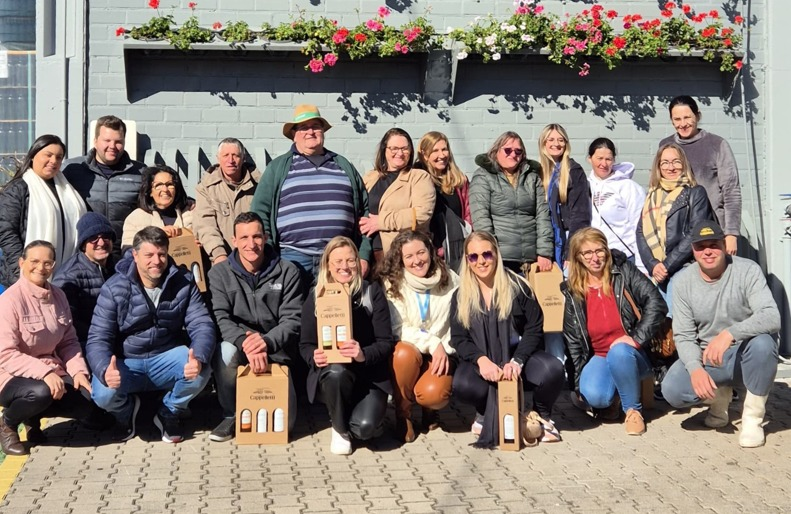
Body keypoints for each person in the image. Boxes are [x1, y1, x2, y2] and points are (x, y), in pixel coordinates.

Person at [87, 226, 216, 443]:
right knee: (102, 394)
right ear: (135, 255)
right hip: (127, 362)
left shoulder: (184, 281)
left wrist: (199, 356)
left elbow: (202, 323)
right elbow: (98, 337)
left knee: (201, 371)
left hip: (167, 356)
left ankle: (169, 410)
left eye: (161, 254)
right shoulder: (114, 288)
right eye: (149, 255)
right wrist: (103, 369)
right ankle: (126, 413)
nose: (156, 261)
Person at [661, 221, 781, 448]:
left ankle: (753, 420)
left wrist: (730, 334)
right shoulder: (682, 282)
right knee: (673, 390)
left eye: (714, 245)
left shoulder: (747, 270)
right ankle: (719, 398)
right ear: (693, 250)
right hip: (709, 357)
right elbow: (684, 335)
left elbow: (772, 316)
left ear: (724, 246)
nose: (707, 251)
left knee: (764, 344)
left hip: (745, 354)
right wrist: (695, 369)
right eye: (701, 246)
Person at [450, 231, 565, 448]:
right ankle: (484, 413)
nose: (481, 261)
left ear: (496, 254)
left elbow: (534, 327)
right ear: (467, 260)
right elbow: (459, 339)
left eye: (487, 254)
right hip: (483, 359)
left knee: (553, 370)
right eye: (473, 257)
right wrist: (481, 360)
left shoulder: (518, 286)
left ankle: (541, 415)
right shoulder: (460, 295)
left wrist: (518, 360)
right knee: (462, 385)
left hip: (516, 354)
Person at [561, 228, 667, 435]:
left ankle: (633, 411)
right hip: (600, 356)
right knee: (596, 396)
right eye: (587, 253)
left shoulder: (623, 271)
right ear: (578, 257)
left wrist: (636, 339)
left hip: (634, 353)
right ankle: (615, 395)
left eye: (599, 250)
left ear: (607, 250)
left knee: (619, 351)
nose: (595, 258)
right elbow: (573, 342)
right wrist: (578, 386)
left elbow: (657, 303)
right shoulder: (573, 291)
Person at [207, 212, 302, 442]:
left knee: (285, 426)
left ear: (266, 237)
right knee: (224, 352)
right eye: (244, 238)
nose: (251, 244)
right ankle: (231, 414)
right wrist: (245, 343)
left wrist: (266, 342)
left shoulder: (288, 271)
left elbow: (292, 319)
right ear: (234, 241)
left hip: (277, 349)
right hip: (240, 345)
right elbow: (221, 318)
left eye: (257, 236)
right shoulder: (219, 274)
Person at [250, 104, 372, 280]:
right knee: (293, 300)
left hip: (339, 259)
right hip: (292, 258)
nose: (310, 132)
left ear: (323, 131)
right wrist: (268, 255)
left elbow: (365, 212)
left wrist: (363, 254)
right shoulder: (277, 168)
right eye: (303, 127)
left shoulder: (343, 166)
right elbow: (260, 213)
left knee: (339, 300)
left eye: (315, 126)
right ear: (294, 134)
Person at [299, 236, 395, 455]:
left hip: (368, 375)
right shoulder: (316, 296)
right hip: (335, 374)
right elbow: (305, 344)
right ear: (328, 265)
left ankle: (358, 416)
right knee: (336, 372)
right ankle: (339, 428)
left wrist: (363, 354)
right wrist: (314, 356)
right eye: (338, 261)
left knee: (365, 429)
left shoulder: (371, 292)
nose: (345, 266)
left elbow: (385, 342)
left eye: (351, 260)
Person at [0, 241, 95, 456]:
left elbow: (68, 342)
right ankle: (7, 423)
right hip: (8, 374)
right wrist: (45, 373)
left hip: (49, 371)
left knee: (85, 401)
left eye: (47, 263)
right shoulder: (9, 301)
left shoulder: (59, 296)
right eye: (34, 261)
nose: (40, 268)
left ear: (53, 265)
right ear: (22, 263)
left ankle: (32, 416)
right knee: (40, 393)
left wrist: (78, 371)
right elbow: (6, 354)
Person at [377, 230, 460, 442]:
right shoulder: (392, 283)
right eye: (409, 256)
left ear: (430, 252)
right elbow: (397, 328)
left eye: (421, 253)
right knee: (402, 354)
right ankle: (403, 414)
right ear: (401, 259)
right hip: (410, 351)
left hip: (441, 353)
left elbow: (461, 320)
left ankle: (429, 410)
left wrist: (443, 347)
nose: (417, 261)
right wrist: (432, 342)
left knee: (434, 395)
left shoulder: (451, 279)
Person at [636, 143, 714, 315]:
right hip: (657, 270)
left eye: (676, 162)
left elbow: (696, 231)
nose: (670, 167)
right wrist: (653, 265)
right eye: (665, 162)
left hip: (684, 266)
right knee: (657, 318)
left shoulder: (695, 193)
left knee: (675, 317)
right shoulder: (652, 196)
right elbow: (640, 232)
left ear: (684, 164)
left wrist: (666, 266)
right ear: (658, 166)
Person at [0, 134, 87, 288]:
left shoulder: (68, 190)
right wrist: (22, 270)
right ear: (33, 155)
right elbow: (6, 231)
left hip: (65, 277)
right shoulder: (18, 188)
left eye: (59, 157)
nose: (53, 161)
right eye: (48, 155)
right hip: (25, 277)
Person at [660, 96, 741, 255]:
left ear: (697, 116)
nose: (683, 124)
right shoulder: (666, 146)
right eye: (677, 119)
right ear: (671, 121)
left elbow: (731, 191)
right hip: (675, 230)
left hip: (711, 228)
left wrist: (731, 233)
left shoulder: (717, 144)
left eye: (687, 117)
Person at [469, 131, 553, 274]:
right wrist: (490, 251)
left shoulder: (532, 177)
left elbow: (542, 215)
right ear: (496, 151)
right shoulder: (483, 176)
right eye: (508, 150)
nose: (513, 154)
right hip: (500, 258)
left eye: (518, 151)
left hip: (530, 259)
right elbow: (481, 218)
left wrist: (544, 252)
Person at [62, 115, 145, 255]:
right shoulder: (72, 169)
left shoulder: (140, 173)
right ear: (95, 141)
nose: (112, 146)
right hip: (84, 253)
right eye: (107, 140)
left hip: (125, 253)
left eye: (118, 141)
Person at [361, 128, 436, 262]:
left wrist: (381, 222)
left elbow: (422, 214)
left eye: (405, 148)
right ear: (384, 150)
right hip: (367, 254)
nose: (400, 153)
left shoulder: (419, 177)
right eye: (394, 148)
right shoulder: (370, 177)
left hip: (401, 255)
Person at [52, 212, 118, 352]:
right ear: (83, 244)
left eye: (106, 236)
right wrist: (101, 336)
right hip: (87, 343)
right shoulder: (68, 276)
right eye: (93, 238)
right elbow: (68, 322)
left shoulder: (119, 267)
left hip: (118, 338)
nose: (101, 243)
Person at [194, 138, 261, 266]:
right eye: (225, 155)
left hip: (255, 258)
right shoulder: (206, 187)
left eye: (235, 155)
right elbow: (205, 224)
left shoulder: (259, 185)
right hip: (222, 259)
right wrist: (219, 254)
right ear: (218, 158)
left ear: (243, 158)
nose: (231, 160)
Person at [587, 138, 647, 274]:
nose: (604, 164)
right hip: (595, 260)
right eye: (599, 158)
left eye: (608, 159)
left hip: (625, 258)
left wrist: (641, 265)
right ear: (590, 159)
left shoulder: (628, 187)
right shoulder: (585, 186)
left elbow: (640, 227)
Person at [415, 131, 471, 272]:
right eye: (435, 151)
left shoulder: (459, 180)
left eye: (444, 149)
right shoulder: (416, 179)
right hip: (427, 252)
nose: (442, 155)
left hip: (457, 250)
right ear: (425, 155)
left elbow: (468, 213)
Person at [537, 124, 591, 270]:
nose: (556, 144)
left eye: (561, 140)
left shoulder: (574, 171)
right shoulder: (537, 172)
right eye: (551, 140)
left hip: (567, 240)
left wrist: (570, 252)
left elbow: (580, 215)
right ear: (543, 143)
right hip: (545, 242)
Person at [121, 165, 193, 248]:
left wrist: (200, 246)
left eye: (170, 184)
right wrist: (157, 235)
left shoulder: (191, 214)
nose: (165, 190)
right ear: (150, 191)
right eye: (158, 185)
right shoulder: (136, 218)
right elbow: (128, 252)